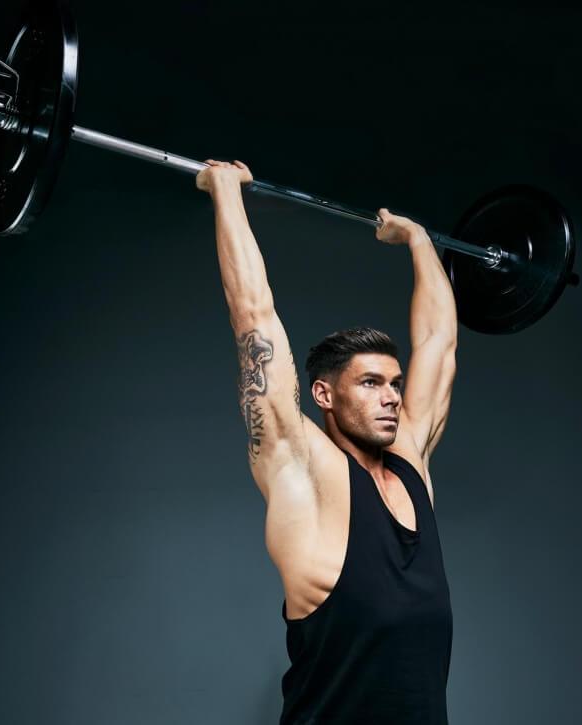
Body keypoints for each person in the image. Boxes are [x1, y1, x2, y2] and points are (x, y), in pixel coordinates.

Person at [196, 159, 457, 724]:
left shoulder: (409, 460)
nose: (391, 397)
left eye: (395, 384)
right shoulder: (301, 469)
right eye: (370, 383)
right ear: (324, 394)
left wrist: (418, 240)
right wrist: (225, 191)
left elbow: (439, 340)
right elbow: (253, 317)